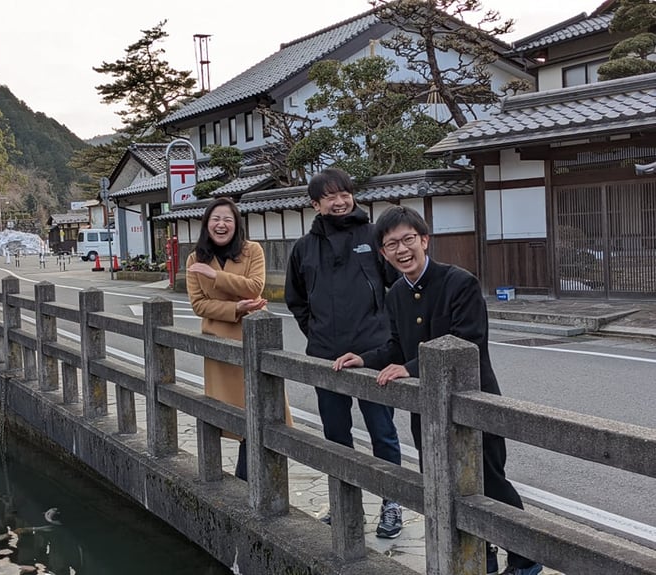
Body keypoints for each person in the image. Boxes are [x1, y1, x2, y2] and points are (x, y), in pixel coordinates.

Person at [333, 205, 543, 575]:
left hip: (472, 404)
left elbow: (468, 342)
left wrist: (409, 369)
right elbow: (396, 346)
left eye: (408, 240)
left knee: (489, 483)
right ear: (383, 252)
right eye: (391, 244)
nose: (402, 250)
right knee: (443, 484)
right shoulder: (396, 293)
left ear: (425, 240)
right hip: (427, 411)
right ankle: (482, 557)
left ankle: (526, 560)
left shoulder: (459, 282)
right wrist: (364, 360)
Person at [284, 167, 404, 539]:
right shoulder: (304, 247)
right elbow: (296, 299)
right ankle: (344, 504)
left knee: (382, 432)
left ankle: (392, 504)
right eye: (330, 197)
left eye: (345, 193)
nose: (339, 202)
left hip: (374, 352)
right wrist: (318, 334)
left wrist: (390, 340)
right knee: (336, 434)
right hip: (326, 357)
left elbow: (396, 288)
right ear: (315, 204)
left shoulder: (373, 236)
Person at [187, 197, 292, 481]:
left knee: (260, 408)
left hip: (253, 337)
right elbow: (199, 305)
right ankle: (228, 476)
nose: (221, 225)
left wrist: (215, 276)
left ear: (237, 224)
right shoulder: (195, 258)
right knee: (226, 412)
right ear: (206, 224)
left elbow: (256, 286)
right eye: (215, 219)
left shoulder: (252, 250)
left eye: (227, 220)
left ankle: (252, 476)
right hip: (219, 344)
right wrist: (236, 308)